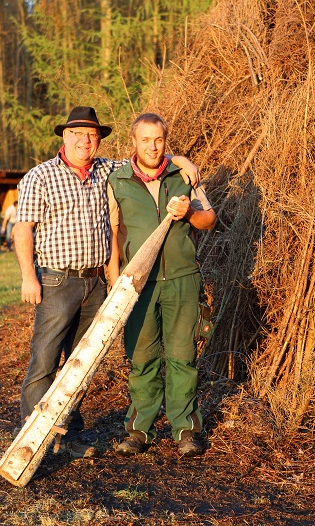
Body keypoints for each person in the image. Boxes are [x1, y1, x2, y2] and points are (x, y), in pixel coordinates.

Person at [14, 106, 199, 459]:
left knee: (83, 362)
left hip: (97, 283)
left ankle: (68, 434)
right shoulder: (41, 176)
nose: (85, 140)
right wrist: (28, 277)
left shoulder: (108, 170)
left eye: (92, 135)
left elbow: (149, 155)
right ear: (64, 137)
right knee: (46, 359)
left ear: (99, 140)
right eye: (77, 134)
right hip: (56, 281)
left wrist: (179, 158)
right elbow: (23, 227)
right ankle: (31, 439)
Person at [107, 113, 216, 457]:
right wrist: (115, 281)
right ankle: (139, 431)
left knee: (183, 357)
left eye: (159, 140)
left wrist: (189, 213)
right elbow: (112, 235)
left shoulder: (183, 175)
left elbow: (209, 219)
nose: (152, 147)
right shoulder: (118, 181)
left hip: (182, 281)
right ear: (133, 142)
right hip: (138, 284)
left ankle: (185, 430)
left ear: (165, 141)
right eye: (145, 140)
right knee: (142, 359)